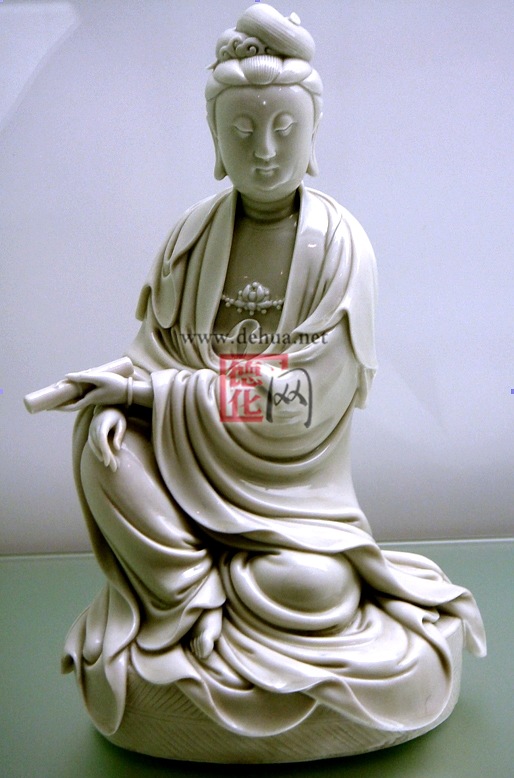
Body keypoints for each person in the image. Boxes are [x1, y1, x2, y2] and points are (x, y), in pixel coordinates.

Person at [61, 4, 485, 742]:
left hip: (293, 498)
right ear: (213, 137)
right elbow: (155, 350)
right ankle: (192, 597)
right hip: (185, 480)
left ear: (314, 133)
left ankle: (214, 598)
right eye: (242, 129)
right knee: (101, 446)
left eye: (285, 128)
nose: (263, 151)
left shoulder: (341, 247)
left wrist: (154, 392)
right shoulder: (189, 238)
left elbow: (299, 401)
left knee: (311, 587)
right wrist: (116, 397)